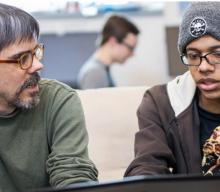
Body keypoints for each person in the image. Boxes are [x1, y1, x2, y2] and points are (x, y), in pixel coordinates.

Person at [0, 3, 98, 192]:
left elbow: (76, 182)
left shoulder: (58, 100)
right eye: (23, 58)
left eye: (36, 52)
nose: (37, 65)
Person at [125, 2, 220, 177]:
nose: (204, 66)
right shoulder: (161, 103)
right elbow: (147, 167)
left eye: (217, 54)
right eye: (193, 55)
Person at [77, 14, 140, 89]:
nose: (132, 54)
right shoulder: (95, 73)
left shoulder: (101, 70)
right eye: (130, 48)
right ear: (112, 41)